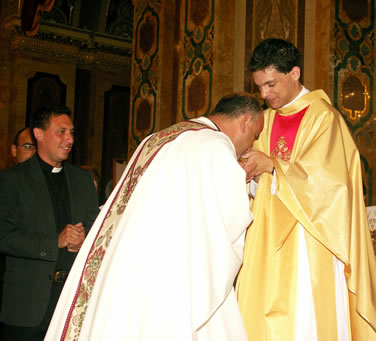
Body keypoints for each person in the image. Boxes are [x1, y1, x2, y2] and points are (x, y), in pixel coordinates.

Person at [44, 92, 264, 341]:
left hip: (128, 268)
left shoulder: (157, 138)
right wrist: (244, 182)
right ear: (245, 122)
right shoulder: (216, 146)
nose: (252, 144)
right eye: (255, 135)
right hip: (170, 276)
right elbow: (227, 227)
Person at [235, 38, 376, 340]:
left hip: (310, 239)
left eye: (270, 85)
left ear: (294, 73)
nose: (264, 95)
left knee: (305, 316)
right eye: (259, 87)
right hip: (266, 236)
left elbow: (331, 187)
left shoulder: (323, 118)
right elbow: (258, 183)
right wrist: (249, 175)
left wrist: (272, 167)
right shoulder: (264, 121)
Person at [0, 105, 99, 341]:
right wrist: (55, 241)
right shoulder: (11, 180)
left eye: (72, 132)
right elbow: (4, 235)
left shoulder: (83, 179)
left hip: (72, 302)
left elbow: (96, 228)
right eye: (61, 132)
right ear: (39, 134)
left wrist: (84, 241)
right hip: (27, 305)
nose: (70, 139)